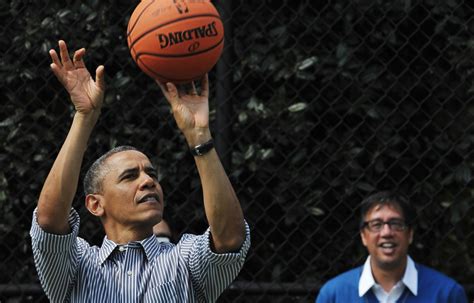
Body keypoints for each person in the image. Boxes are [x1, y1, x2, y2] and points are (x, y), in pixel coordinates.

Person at [30, 40, 250, 302]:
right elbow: (49, 219)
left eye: (152, 174)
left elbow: (229, 237)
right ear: (95, 204)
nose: (148, 181)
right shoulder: (76, 266)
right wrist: (84, 116)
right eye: (129, 176)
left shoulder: (186, 261)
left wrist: (199, 135)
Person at [315, 191, 467, 303]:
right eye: (376, 225)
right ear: (363, 236)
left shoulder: (447, 294)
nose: (387, 232)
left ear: (410, 234)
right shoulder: (333, 295)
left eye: (396, 224)